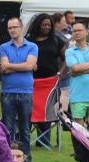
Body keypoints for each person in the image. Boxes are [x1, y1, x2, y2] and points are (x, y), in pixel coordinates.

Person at [0, 16, 37, 162]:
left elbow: (29, 66)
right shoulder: (3, 47)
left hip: (26, 91)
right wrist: (24, 65)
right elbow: (3, 67)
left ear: (21, 28)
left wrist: (11, 66)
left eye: (14, 27)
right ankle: (8, 161)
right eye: (9, 28)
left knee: (25, 130)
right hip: (8, 92)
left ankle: (26, 161)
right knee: (8, 129)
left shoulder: (32, 46)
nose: (12, 30)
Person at [27, 13, 63, 148]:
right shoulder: (29, 40)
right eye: (44, 24)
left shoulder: (56, 40)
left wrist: (61, 72)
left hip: (50, 83)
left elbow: (66, 58)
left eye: (49, 25)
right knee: (30, 111)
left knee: (46, 111)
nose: (47, 27)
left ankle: (43, 142)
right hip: (31, 81)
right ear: (38, 25)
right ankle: (25, 140)